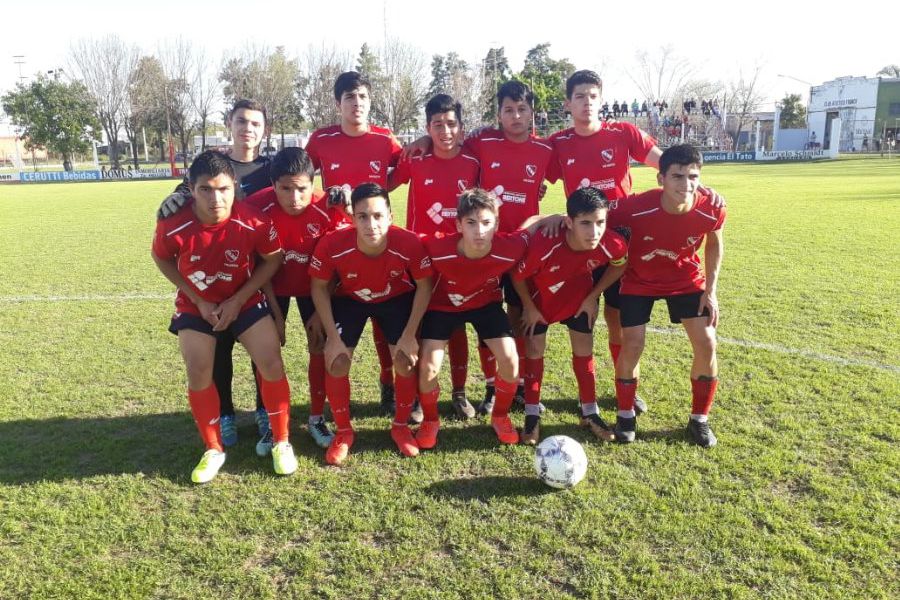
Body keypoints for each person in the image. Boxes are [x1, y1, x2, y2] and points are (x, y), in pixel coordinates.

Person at [151, 151, 298, 482]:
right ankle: (213, 448)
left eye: (223, 189)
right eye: (205, 190)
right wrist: (198, 300)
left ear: (235, 186)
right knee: (198, 368)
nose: (216, 199)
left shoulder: (254, 221)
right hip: (196, 305)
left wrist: (239, 299)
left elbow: (272, 260)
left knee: (271, 361)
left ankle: (282, 441)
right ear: (190, 188)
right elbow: (161, 258)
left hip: (243, 301)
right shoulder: (173, 223)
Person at [156, 99, 274, 451]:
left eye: (255, 123)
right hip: (215, 273)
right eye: (241, 121)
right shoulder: (211, 167)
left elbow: (298, 188)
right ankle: (224, 413)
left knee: (263, 350)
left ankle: (265, 410)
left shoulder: (271, 169)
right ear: (229, 124)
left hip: (262, 271)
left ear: (264, 129)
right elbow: (185, 195)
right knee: (217, 346)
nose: (247, 129)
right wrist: (172, 198)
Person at [546, 69, 660, 415]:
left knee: (618, 320)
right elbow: (537, 182)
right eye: (580, 96)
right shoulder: (559, 143)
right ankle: (588, 399)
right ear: (568, 103)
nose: (587, 103)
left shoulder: (622, 133)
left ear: (601, 99)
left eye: (593, 96)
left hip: (621, 244)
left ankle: (623, 384)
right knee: (582, 320)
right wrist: (549, 217)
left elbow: (664, 163)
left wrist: (694, 188)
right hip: (580, 246)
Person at [607, 144, 725, 447]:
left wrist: (710, 290)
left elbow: (714, 243)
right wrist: (557, 218)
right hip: (639, 281)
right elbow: (595, 214)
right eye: (677, 176)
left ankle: (699, 420)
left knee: (707, 342)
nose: (685, 185)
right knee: (631, 344)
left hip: (686, 280)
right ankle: (625, 415)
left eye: (692, 176)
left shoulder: (711, 206)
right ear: (660, 179)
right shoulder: (634, 207)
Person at [310, 183, 433, 465]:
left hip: (396, 298)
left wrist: (410, 334)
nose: (371, 224)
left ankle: (400, 426)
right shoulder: (333, 243)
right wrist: (333, 337)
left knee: (405, 360)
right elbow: (318, 287)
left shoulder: (409, 242)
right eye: (363, 216)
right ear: (352, 218)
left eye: (378, 216)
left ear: (390, 215)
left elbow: (424, 286)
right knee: (337, 361)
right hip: (350, 299)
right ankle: (343, 432)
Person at [305, 71, 405, 416]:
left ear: (370, 101)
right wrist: (324, 196)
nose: (357, 104)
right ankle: (326, 406)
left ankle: (388, 382)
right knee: (335, 322)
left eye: (362, 97)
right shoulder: (321, 139)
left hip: (378, 241)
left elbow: (405, 168)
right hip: (336, 246)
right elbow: (299, 180)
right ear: (338, 103)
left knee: (383, 317)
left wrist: (382, 194)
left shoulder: (384, 139)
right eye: (349, 98)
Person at [512, 187, 627, 445]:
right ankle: (531, 415)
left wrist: (593, 296)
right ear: (569, 222)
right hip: (541, 303)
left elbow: (620, 264)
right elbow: (517, 275)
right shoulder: (544, 244)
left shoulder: (612, 243)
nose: (594, 231)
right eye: (585, 223)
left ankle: (589, 412)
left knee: (584, 351)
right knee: (534, 351)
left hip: (578, 302)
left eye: (600, 222)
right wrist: (529, 307)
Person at [389, 93, 481, 418]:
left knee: (455, 326)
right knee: (415, 327)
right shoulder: (416, 158)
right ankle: (415, 395)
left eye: (451, 124)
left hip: (458, 258)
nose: (445, 131)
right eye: (437, 125)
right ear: (428, 127)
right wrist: (412, 145)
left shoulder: (472, 163)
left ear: (461, 126)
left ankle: (458, 392)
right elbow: (385, 183)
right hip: (418, 259)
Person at [417, 189, 531, 447]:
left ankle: (500, 416)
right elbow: (402, 239)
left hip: (485, 306)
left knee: (511, 359)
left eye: (486, 223)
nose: (479, 231)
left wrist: (556, 217)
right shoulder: (436, 247)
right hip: (443, 307)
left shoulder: (509, 247)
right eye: (471, 223)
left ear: (497, 224)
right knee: (429, 366)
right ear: (458, 225)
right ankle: (431, 421)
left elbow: (530, 228)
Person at [243, 147, 340, 450]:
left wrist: (319, 312)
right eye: (286, 189)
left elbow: (339, 264)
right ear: (272, 186)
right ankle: (273, 421)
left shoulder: (328, 206)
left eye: (302, 189)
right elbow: (258, 264)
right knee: (266, 351)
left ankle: (315, 417)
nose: (295, 198)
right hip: (271, 287)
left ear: (314, 184)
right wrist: (276, 313)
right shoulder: (256, 207)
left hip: (317, 288)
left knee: (319, 346)